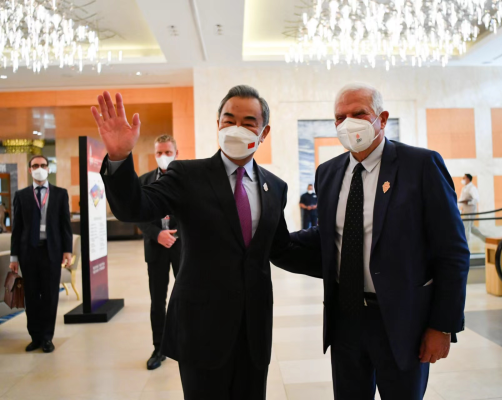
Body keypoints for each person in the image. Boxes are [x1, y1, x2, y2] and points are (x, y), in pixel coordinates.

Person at [90, 86, 318, 400]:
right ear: (218, 124)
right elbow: (135, 208)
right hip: (201, 329)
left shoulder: (274, 187)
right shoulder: (187, 175)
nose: (236, 128)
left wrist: (339, 252)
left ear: (264, 132)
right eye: (229, 120)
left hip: (254, 331)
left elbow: (279, 248)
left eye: (248, 122)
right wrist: (118, 157)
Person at [271, 83, 470, 400]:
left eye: (359, 113)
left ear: (382, 118)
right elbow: (330, 236)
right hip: (345, 320)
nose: (348, 123)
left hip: (403, 322)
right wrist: (271, 238)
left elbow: (453, 252)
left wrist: (443, 326)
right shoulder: (328, 173)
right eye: (340, 117)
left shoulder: (421, 166)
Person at [9, 155, 73, 353]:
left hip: (51, 251)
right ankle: (35, 337)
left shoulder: (60, 194)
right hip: (28, 252)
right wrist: (14, 257)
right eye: (35, 165)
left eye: (43, 165)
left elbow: (65, 225)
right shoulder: (21, 195)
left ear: (48, 168)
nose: (39, 168)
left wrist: (67, 250)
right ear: (30, 170)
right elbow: (17, 228)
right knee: (31, 296)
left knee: (50, 295)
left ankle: (47, 338)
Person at [136, 134, 182, 370]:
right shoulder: (144, 181)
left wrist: (176, 234)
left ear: (176, 153)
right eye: (159, 153)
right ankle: (159, 348)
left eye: (168, 152)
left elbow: (194, 213)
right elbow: (137, 215)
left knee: (185, 297)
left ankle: (186, 343)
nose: (163, 156)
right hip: (156, 249)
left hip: (181, 247)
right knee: (157, 300)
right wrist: (157, 234)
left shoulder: (186, 180)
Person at [458, 174, 480, 241]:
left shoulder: (472, 188)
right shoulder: (464, 188)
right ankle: (485, 238)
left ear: (468, 178)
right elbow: (461, 200)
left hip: (471, 211)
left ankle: (466, 243)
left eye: (464, 178)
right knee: (470, 227)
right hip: (466, 211)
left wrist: (468, 202)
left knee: (466, 227)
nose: (462, 179)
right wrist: (457, 208)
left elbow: (476, 199)